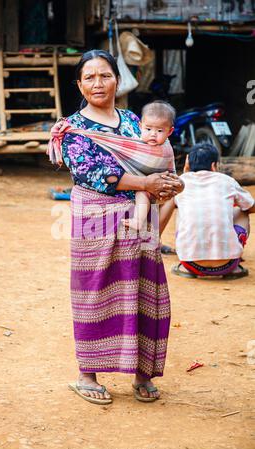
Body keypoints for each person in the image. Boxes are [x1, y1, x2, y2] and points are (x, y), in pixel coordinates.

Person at [49, 49, 184, 404]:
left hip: (139, 220)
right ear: (79, 84)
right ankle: (87, 373)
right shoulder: (73, 128)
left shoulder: (133, 122)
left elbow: (155, 156)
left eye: (105, 75)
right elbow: (93, 172)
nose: (98, 83)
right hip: (95, 218)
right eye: (89, 77)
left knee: (142, 293)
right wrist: (147, 185)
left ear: (117, 80)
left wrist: (167, 182)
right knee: (95, 293)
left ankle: (143, 373)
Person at [159, 143, 255, 279]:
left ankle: (156, 241)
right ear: (214, 166)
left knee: (180, 208)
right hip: (229, 265)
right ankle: (234, 264)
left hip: (190, 263)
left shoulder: (181, 182)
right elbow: (251, 206)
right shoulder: (227, 181)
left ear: (187, 162)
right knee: (242, 211)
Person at [123, 100, 176, 231]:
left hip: (161, 189)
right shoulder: (136, 141)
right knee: (143, 192)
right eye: (148, 129)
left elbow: (171, 169)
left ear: (169, 132)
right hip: (144, 185)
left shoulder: (166, 148)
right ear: (140, 126)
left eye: (159, 130)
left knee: (145, 193)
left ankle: (139, 222)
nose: (153, 134)